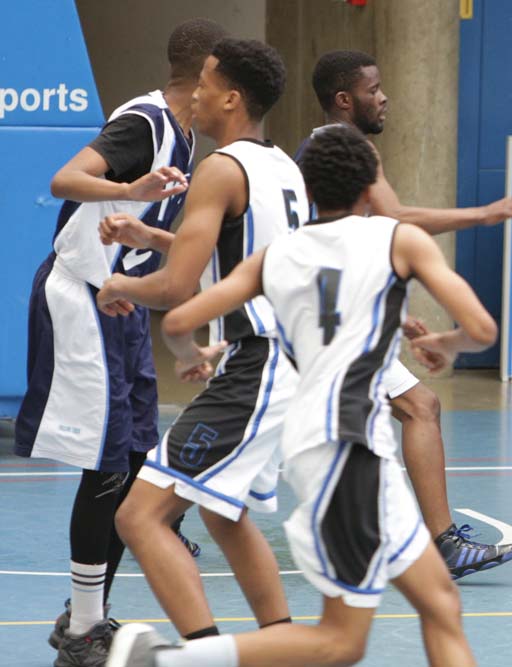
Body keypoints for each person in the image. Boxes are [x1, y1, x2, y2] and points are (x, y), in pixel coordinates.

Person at [106, 124, 487, 667]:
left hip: (353, 452)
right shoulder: (396, 241)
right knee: (341, 642)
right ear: (369, 191)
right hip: (346, 450)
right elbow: (480, 328)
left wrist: (193, 354)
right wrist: (448, 345)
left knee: (441, 604)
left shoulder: (281, 255)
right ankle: (164, 661)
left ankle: (188, 653)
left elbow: (183, 315)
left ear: (307, 190)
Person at [13, 17, 226, 666]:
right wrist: (128, 189)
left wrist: (188, 346)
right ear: (209, 73)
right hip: (82, 298)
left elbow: (170, 252)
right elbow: (67, 179)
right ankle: (82, 627)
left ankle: (87, 618)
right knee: (107, 465)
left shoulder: (187, 138)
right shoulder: (145, 123)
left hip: (124, 305)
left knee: (133, 463)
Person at [94, 38, 308, 642]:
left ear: (232, 98)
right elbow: (237, 258)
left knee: (139, 517)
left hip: (259, 365)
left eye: (207, 84)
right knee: (222, 509)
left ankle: (206, 655)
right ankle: (280, 645)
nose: (196, 93)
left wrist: (120, 284)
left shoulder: (217, 168)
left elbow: (177, 287)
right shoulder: (280, 165)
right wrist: (151, 234)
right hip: (280, 359)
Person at [299, 50, 512, 578]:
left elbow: (358, 240)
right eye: (373, 88)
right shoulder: (344, 149)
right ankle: (438, 543)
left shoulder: (331, 146)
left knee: (415, 408)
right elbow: (395, 219)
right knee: (414, 409)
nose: (384, 97)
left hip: (337, 315)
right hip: (325, 325)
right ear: (345, 100)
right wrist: (486, 212)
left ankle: (428, 538)